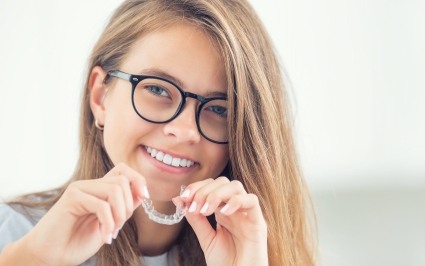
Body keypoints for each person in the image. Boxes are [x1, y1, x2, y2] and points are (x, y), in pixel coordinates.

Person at [0, 0, 315, 265]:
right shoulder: (15, 235)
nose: (184, 131)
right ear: (100, 96)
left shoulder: (256, 252)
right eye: (157, 89)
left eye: (220, 109)